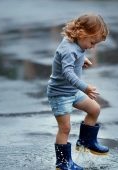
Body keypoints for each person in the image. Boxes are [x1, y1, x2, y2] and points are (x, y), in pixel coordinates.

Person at [47, 13, 109, 170]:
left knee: (94, 109)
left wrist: (82, 60)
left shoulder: (76, 43)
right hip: (60, 94)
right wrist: (85, 88)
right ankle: (62, 162)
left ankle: (86, 141)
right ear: (82, 33)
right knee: (65, 128)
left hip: (72, 92)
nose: (93, 47)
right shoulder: (69, 49)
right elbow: (67, 73)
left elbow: (73, 57)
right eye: (92, 42)